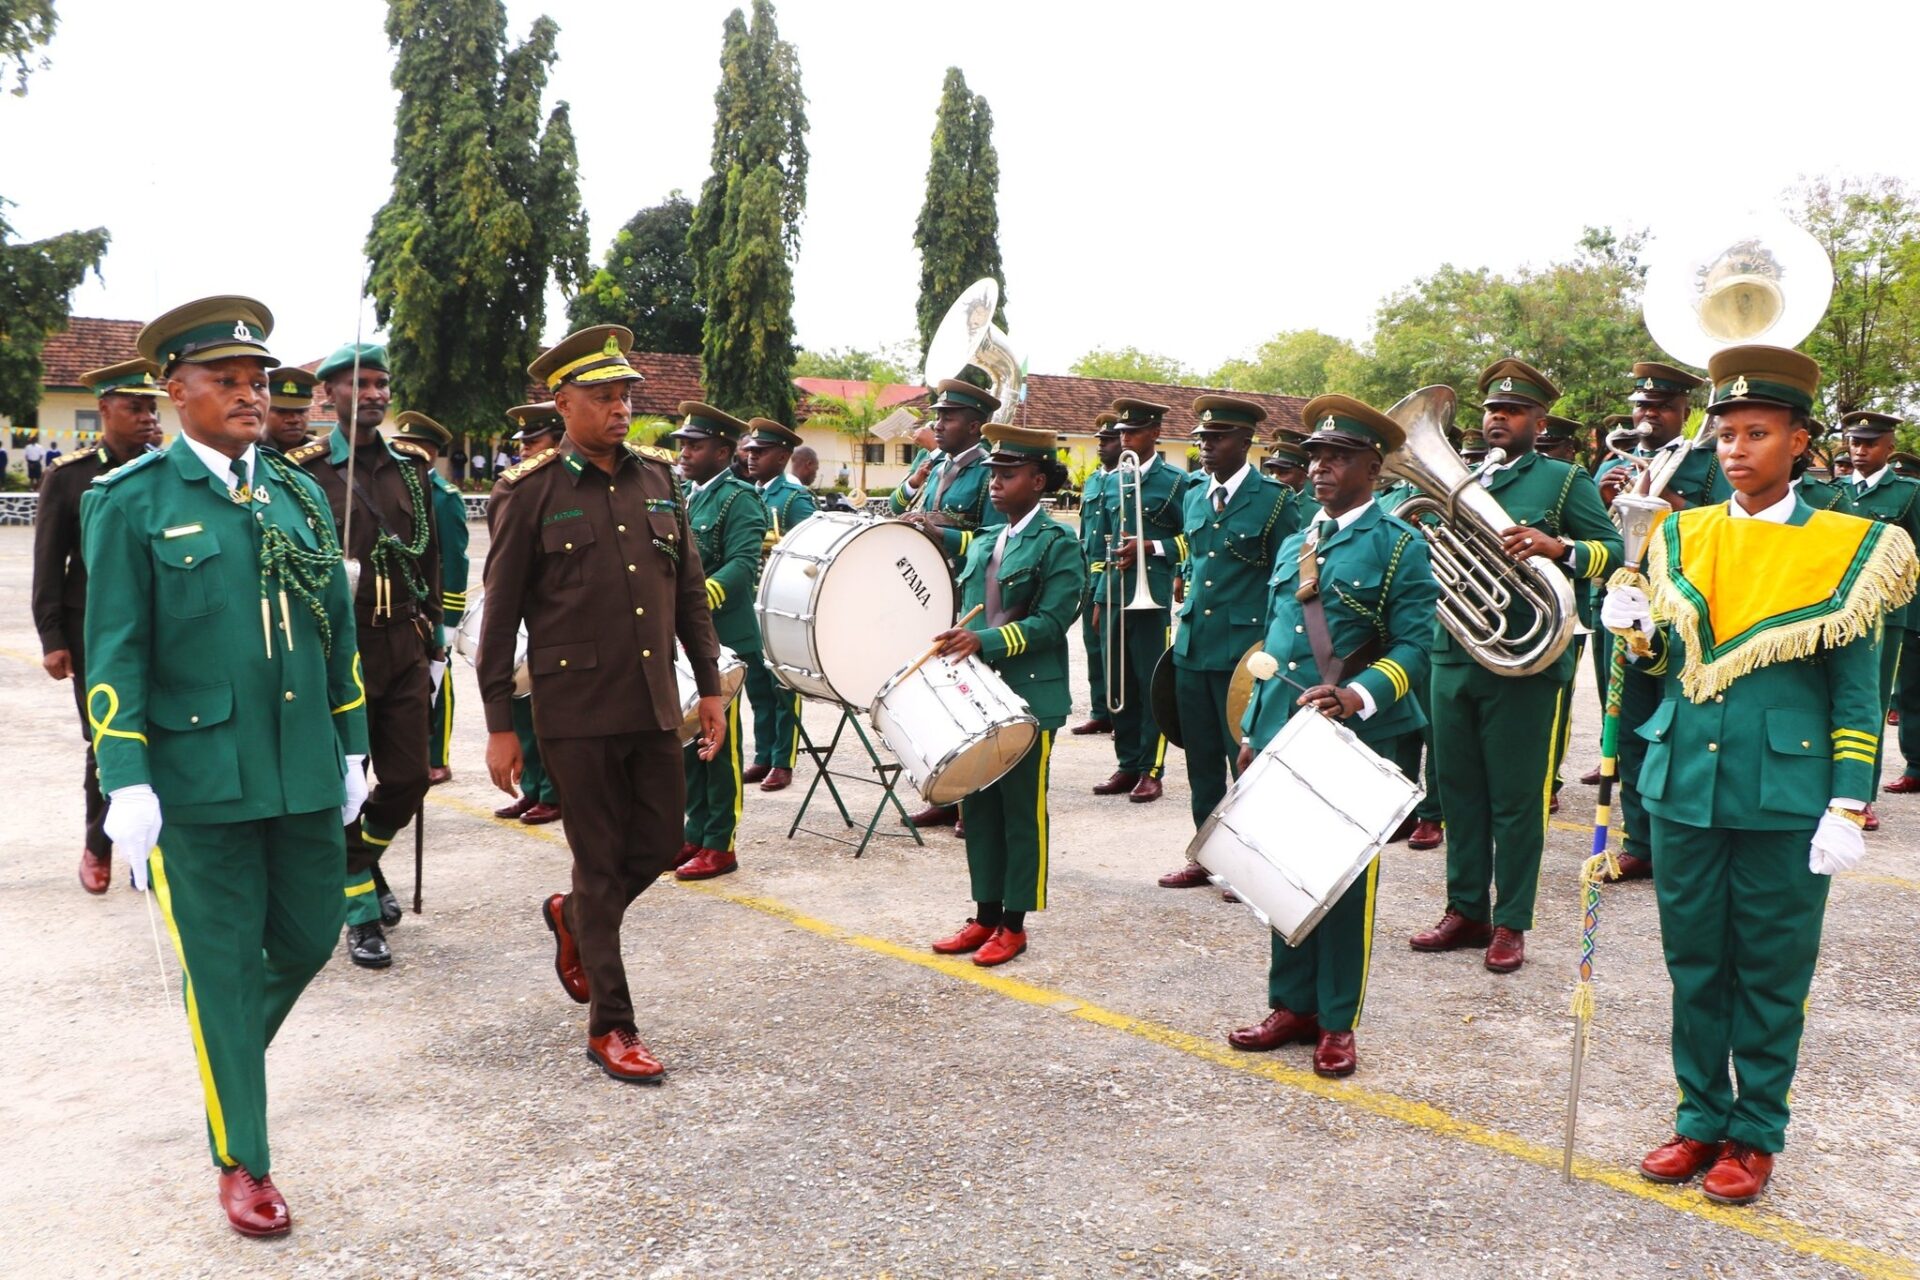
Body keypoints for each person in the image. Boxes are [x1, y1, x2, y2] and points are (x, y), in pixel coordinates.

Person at [1601, 343, 1913, 1206]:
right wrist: (1633, 629)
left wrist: (1849, 800)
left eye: (1757, 432)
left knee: (1772, 970)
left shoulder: (1851, 547)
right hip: (1681, 789)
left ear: (1801, 444)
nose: (1735, 449)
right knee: (1694, 964)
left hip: (1785, 795)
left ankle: (1755, 1133)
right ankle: (1700, 1117)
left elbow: (1858, 692)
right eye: (1727, 433)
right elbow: (1666, 664)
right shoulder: (1679, 532)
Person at [83, 295, 367, 1237]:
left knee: (309, 935)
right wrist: (121, 778)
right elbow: (113, 651)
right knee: (217, 970)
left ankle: (225, 1054)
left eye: (261, 381)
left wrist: (354, 741)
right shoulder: (131, 504)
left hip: (299, 770)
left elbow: (337, 631)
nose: (254, 395)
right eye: (230, 381)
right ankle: (245, 1158)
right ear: (176, 391)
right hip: (196, 783)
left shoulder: (293, 494)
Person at [480, 325, 726, 1083]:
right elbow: (501, 615)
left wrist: (710, 689)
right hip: (575, 709)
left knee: (657, 844)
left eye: (625, 396)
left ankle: (575, 918)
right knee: (596, 858)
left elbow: (687, 593)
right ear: (564, 403)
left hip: (654, 702)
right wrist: (498, 726)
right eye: (603, 397)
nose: (621, 409)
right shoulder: (530, 492)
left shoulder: (659, 480)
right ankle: (610, 1027)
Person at [1227, 395, 1438, 1077]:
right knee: (1282, 870)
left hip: (1351, 734)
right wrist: (1254, 729)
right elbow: (1277, 641)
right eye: (1315, 456)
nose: (1319, 468)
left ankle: (1338, 1021)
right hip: (1282, 732)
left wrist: (1358, 693)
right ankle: (1291, 1004)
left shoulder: (1401, 543)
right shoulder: (1297, 541)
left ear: (1372, 467)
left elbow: (1416, 646)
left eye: (1337, 457)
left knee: (1342, 884)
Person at [1410, 358, 1621, 974]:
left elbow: (1613, 552)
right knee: (1459, 793)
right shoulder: (1459, 478)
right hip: (1454, 656)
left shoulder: (1561, 480)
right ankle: (1465, 910)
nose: (1497, 419)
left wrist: (1560, 547)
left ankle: (1511, 922)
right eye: (1490, 411)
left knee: (1516, 801)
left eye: (1512, 411)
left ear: (1537, 420)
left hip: (1526, 661)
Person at [289, 342, 441, 969]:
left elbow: (427, 557)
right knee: (343, 784)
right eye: (362, 384)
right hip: (336, 651)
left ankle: (354, 865)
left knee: (407, 777)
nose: (377, 394)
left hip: (401, 641)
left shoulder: (411, 466)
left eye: (383, 383)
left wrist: (435, 635)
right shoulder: (304, 471)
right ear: (329, 395)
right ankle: (358, 913)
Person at [927, 424, 1085, 966]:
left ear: (1038, 480)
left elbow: (1053, 620)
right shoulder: (990, 541)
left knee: (1020, 810)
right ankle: (984, 914)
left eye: (1008, 474)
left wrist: (984, 640)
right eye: (992, 472)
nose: (995, 482)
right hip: (976, 695)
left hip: (1028, 698)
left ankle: (1014, 924)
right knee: (979, 806)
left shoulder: (1060, 542)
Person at [1584, 362, 1728, 875]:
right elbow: (1596, 539)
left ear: (1684, 412)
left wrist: (1667, 499)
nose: (1649, 415)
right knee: (1622, 725)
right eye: (1642, 406)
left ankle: (1677, 837)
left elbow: (1725, 531)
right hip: (1620, 606)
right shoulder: (1608, 465)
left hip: (1675, 609)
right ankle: (1640, 844)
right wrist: (1606, 500)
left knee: (1670, 725)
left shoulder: (1708, 463)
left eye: (1663, 407)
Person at [1157, 397, 1302, 887]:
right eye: (1201, 439)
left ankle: (1249, 863)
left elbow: (1291, 575)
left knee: (1245, 759)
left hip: (1245, 655)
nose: (1206, 447)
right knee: (1199, 759)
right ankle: (1206, 854)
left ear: (1245, 442)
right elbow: (1196, 559)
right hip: (1193, 645)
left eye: (1217, 438)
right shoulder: (1195, 494)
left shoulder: (1276, 500)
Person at [32, 357, 165, 893]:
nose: (146, 417)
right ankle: (98, 842)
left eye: (151, 407)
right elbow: (48, 563)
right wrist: (52, 639)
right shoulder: (71, 476)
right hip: (93, 633)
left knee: (166, 732)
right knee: (108, 738)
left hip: (160, 626)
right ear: (105, 408)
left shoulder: (163, 470)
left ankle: (153, 851)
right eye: (134, 406)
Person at [894, 381, 1008, 828]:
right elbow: (897, 502)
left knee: (968, 697)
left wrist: (943, 535)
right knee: (935, 693)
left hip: (968, 596)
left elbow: (995, 539)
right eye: (937, 416)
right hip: (928, 592)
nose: (937, 425)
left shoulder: (988, 471)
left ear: (976, 425)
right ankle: (944, 792)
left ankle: (970, 798)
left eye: (948, 418)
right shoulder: (933, 462)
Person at [671, 401, 769, 880]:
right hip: (686, 638)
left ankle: (720, 845)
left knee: (719, 742)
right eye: (683, 444)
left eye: (695, 445)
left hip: (722, 637)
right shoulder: (685, 494)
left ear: (723, 450)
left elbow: (742, 564)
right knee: (690, 736)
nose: (685, 452)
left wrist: (694, 599)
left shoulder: (740, 498)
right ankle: (694, 832)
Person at [1094, 397, 1185, 804]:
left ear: (1155, 433)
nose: (1125, 438)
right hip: (1114, 593)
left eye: (1133, 431)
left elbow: (1197, 541)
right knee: (1120, 683)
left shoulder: (1179, 482)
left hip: (1153, 596)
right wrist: (1098, 596)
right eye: (1121, 433)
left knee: (1151, 686)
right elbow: (1103, 544)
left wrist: (1153, 547)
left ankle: (1152, 769)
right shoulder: (1112, 480)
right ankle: (1127, 762)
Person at [489, 402, 568, 825]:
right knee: (525, 706)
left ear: (557, 441)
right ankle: (536, 787)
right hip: (531, 621)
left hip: (566, 632)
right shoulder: (520, 488)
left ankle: (553, 792)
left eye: (533, 442)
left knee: (550, 713)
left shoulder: (567, 486)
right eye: (521, 444)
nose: (524, 451)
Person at [1842, 410, 1920, 822]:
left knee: (1868, 704)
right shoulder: (1835, 493)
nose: (1859, 450)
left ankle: (1860, 796)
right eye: (1854, 442)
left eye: (1869, 443)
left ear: (1889, 448)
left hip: (1885, 615)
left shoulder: (1908, 493)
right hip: (1836, 612)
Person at [392, 411, 470, 788]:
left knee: (438, 679)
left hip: (432, 606)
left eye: (412, 454)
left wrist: (449, 621)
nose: (404, 461)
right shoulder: (391, 489)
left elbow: (455, 559)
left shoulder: (444, 498)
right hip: (398, 605)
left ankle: (437, 757)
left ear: (430, 454)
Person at [739, 417, 818, 792]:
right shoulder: (748, 491)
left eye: (761, 451)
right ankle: (763, 755)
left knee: (781, 684)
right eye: (750, 451)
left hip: (781, 601)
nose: (751, 457)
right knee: (756, 682)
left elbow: (810, 554)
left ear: (784, 455)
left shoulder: (793, 496)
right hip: (751, 600)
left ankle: (783, 761)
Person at [1070, 412, 1121, 736]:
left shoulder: (1127, 480)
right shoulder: (1093, 480)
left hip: (1116, 576)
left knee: (1113, 648)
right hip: (1088, 573)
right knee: (1092, 645)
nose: (1102, 445)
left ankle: (1120, 715)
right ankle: (1100, 710)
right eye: (1100, 440)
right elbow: (1086, 531)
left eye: (1109, 440)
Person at [260, 367, 317, 451]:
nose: (293, 420)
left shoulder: (323, 453)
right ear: (263, 411)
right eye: (281, 411)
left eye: (300, 411)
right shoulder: (249, 452)